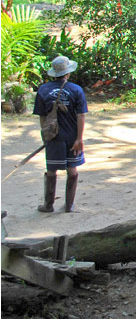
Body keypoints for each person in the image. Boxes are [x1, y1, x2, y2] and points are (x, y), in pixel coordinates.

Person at [33, 55, 87, 213]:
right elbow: (81, 116)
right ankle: (69, 205)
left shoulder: (43, 90)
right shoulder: (76, 90)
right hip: (72, 137)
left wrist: (46, 136)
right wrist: (79, 138)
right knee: (72, 169)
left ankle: (48, 205)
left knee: (51, 169)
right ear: (68, 73)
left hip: (54, 137)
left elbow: (42, 117)